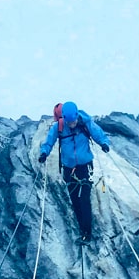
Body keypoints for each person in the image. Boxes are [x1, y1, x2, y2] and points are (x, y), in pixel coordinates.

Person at [38, 102, 111, 243]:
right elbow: (49, 142)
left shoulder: (85, 122)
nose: (72, 124)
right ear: (64, 118)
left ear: (77, 115)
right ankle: (82, 230)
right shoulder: (58, 127)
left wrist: (104, 143)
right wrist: (44, 153)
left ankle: (87, 234)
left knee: (84, 199)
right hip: (69, 169)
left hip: (85, 167)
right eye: (69, 121)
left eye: (74, 121)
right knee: (75, 201)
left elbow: (97, 133)